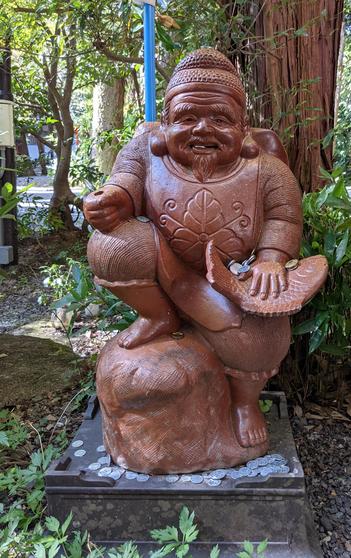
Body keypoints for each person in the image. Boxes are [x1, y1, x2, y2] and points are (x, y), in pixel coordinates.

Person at [84, 49, 303, 449]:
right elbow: (125, 181)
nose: (203, 129)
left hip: (232, 284)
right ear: (165, 124)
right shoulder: (146, 151)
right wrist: (114, 199)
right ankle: (159, 316)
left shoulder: (266, 169)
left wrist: (272, 259)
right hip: (166, 273)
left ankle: (244, 402)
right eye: (187, 118)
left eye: (220, 119)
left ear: (243, 127)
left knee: (266, 339)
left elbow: (284, 218)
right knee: (110, 245)